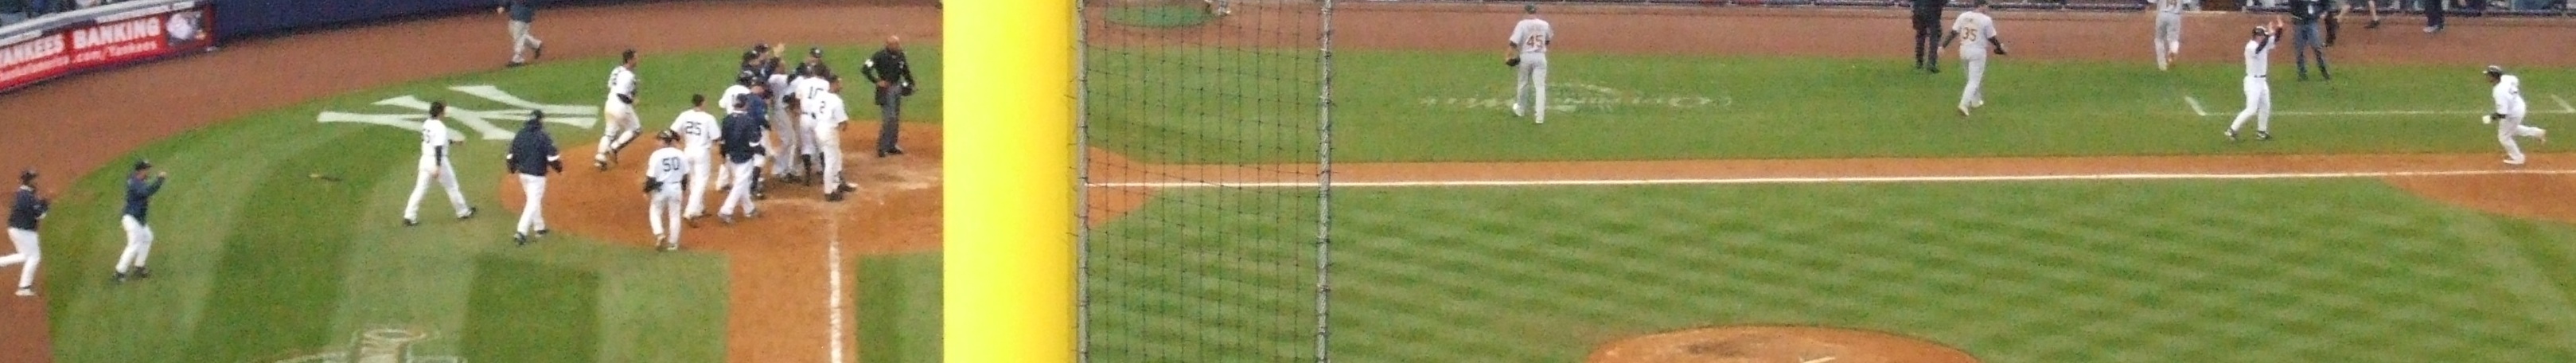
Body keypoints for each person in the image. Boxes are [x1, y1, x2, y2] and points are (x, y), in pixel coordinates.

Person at [404, 102, 476, 226]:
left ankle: (409, 216)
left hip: (425, 160)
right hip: (438, 161)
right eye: (443, 111)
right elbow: (438, 146)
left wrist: (454, 142)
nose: (445, 113)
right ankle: (463, 212)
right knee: (452, 187)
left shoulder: (427, 123)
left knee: (420, 188)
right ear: (440, 112)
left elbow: (435, 141)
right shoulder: (440, 127)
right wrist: (438, 166)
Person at [505, 111, 563, 246]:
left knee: (533, 200)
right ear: (540, 121)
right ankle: (521, 232)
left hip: (523, 175)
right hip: (536, 176)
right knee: (533, 203)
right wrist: (559, 169)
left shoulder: (520, 134)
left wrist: (512, 169)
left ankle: (539, 228)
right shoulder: (542, 136)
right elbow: (552, 158)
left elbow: (510, 156)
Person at [1944, 0, 2005, 117]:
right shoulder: (1986, 19)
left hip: (1963, 50)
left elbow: (1953, 32)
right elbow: (1991, 37)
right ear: (1981, 6)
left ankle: (1976, 101)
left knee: (1971, 78)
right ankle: (1963, 104)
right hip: (1977, 52)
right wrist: (2000, 47)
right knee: (1974, 80)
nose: (1987, 8)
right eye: (1986, 6)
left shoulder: (1963, 16)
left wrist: (1943, 46)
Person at [2228, 18, 2286, 142]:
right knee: (2251, 109)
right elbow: (2260, 48)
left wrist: (2280, 28)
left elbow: (2275, 40)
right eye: (2262, 35)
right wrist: (2269, 35)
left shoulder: (2263, 43)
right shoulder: (2250, 47)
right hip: (2252, 82)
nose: (2263, 37)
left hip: (2262, 82)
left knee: (2266, 106)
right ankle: (2232, 130)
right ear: (2256, 36)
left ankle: (2261, 132)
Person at [864, 36, 919, 158]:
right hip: (886, 90)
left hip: (897, 88)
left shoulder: (900, 55)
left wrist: (912, 84)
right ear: (888, 45)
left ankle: (892, 145)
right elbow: (865, 69)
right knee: (890, 118)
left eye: (898, 44)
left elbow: (905, 70)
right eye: (894, 44)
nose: (897, 46)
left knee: (896, 118)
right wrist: (877, 81)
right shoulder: (879, 56)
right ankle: (882, 147)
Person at [112, 160, 166, 283]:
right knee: (134, 244)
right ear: (141, 170)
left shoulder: (136, 180)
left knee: (148, 237)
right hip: (131, 219)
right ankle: (119, 272)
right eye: (147, 169)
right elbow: (146, 192)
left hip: (138, 219)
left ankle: (139, 266)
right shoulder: (135, 183)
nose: (148, 171)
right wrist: (160, 180)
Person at [717, 94, 767, 223]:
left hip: (731, 156)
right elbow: (753, 143)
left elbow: (723, 141)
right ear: (745, 105)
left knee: (742, 183)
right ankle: (726, 211)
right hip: (744, 157)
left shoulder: (727, 119)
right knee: (740, 184)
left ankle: (749, 209)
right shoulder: (748, 120)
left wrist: (723, 155)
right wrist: (762, 151)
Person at [668, 94, 720, 221]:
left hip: (688, 150)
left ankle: (699, 209)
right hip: (702, 152)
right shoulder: (708, 118)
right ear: (702, 103)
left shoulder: (685, 115)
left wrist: (678, 144)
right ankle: (690, 211)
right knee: (701, 182)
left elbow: (672, 131)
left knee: (693, 180)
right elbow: (716, 138)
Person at [2486, 65, 2550, 166]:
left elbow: (2502, 113)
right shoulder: (2507, 78)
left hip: (2513, 113)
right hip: (2519, 106)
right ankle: (2537, 133)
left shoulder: (2499, 92)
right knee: (2511, 129)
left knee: (2504, 137)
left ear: (2494, 77)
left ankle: (2518, 158)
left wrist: (2490, 118)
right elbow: (2516, 80)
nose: (2487, 77)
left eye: (2489, 75)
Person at [2, 170, 49, 296]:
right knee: (35, 257)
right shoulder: (27, 197)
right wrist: (45, 206)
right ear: (30, 181)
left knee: (26, 255)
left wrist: (41, 204)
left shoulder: (23, 193)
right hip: (24, 231)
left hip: (16, 229)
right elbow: (41, 215)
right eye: (35, 179)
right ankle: (24, 288)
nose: (37, 181)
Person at [809, 75, 854, 201]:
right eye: (839, 83)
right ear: (833, 84)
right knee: (831, 161)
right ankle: (829, 191)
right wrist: (843, 126)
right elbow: (842, 122)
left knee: (837, 156)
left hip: (819, 128)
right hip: (829, 131)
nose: (841, 86)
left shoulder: (819, 96)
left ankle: (838, 184)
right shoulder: (836, 100)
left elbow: (813, 113)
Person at [595, 49, 643, 170]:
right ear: (630, 60)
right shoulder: (629, 75)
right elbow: (622, 94)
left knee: (609, 133)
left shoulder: (616, 70)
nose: (637, 60)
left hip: (609, 104)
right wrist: (632, 100)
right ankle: (614, 148)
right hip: (621, 106)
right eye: (635, 58)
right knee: (636, 129)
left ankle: (600, 158)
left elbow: (610, 86)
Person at [1506, 4, 1553, 124]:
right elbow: (1547, 40)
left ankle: (1520, 110)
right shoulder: (1544, 24)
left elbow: (1513, 43)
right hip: (1540, 57)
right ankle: (1540, 117)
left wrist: (1508, 56)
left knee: (1523, 84)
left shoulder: (1522, 24)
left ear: (1526, 12)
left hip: (1526, 56)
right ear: (1536, 12)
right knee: (1540, 87)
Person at [643, 131, 688, 251]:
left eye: (659, 140)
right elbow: (685, 175)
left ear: (664, 141)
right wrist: (683, 189)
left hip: (661, 189)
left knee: (655, 211)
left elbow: (651, 177)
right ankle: (673, 243)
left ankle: (659, 233)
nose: (657, 142)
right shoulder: (680, 154)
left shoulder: (656, 155)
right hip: (676, 187)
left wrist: (646, 190)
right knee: (675, 215)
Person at [792, 64, 836, 184]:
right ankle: (824, 174)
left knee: (806, 146)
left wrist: (798, 109)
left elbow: (797, 99)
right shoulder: (826, 84)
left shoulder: (803, 83)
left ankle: (808, 176)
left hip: (805, 117)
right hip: (820, 118)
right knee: (822, 145)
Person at [2288, 0, 2331, 80]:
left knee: (2317, 48)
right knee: (2299, 50)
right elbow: (2292, 6)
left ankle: (2324, 71)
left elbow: (2326, 3)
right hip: (2299, 22)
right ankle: (2302, 73)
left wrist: (2324, 12)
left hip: (2312, 22)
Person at [497, 0, 544, 67]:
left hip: (523, 14)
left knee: (518, 37)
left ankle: (518, 59)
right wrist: (503, 5)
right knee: (517, 34)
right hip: (514, 14)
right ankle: (536, 44)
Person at [1911, 0, 1947, 72]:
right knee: (1934, 37)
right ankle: (1931, 63)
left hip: (1918, 11)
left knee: (1920, 36)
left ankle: (1919, 62)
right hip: (1933, 11)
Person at [2153, 0, 2184, 71]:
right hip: (2175, 15)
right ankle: (2173, 51)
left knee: (2159, 39)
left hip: (2162, 14)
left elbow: (2152, 2)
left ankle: (2162, 65)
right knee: (2174, 39)